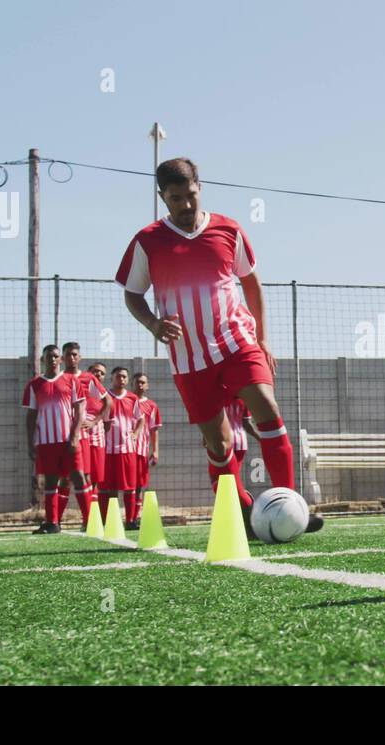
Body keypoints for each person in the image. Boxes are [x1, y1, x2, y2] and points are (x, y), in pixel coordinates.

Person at [115, 157, 321, 535]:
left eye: (190, 195)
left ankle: (291, 503)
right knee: (218, 440)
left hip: (237, 341)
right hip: (189, 358)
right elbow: (132, 294)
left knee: (266, 406)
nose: (186, 205)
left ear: (200, 188)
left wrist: (261, 339)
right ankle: (240, 512)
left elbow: (252, 284)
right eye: (176, 198)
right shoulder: (148, 241)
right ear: (163, 198)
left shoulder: (228, 229)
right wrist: (153, 323)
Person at [21, 344, 86, 534]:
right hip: (46, 441)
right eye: (48, 356)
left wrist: (74, 436)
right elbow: (31, 416)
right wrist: (30, 443)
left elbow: (80, 410)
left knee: (78, 477)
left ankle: (90, 520)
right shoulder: (34, 384)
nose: (52, 359)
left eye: (55, 356)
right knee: (50, 481)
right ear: (42, 360)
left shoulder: (71, 381)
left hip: (68, 440)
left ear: (61, 359)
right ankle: (52, 522)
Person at [56, 343, 112, 526]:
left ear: (79, 357)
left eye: (75, 355)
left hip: (86, 437)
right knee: (63, 478)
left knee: (88, 477)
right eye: (68, 355)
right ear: (62, 358)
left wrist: (95, 421)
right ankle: (55, 520)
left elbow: (108, 402)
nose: (72, 358)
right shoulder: (58, 379)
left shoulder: (88, 379)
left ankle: (90, 520)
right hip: (63, 434)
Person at [100, 366, 143, 530]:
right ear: (112, 378)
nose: (122, 379)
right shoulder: (104, 396)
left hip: (127, 449)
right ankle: (108, 520)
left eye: (125, 377)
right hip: (108, 450)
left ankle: (131, 520)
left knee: (129, 487)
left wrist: (136, 433)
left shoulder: (132, 398)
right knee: (109, 488)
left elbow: (141, 419)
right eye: (118, 376)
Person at [133, 372, 161, 508]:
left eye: (143, 382)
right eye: (137, 382)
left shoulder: (152, 405)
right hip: (122, 449)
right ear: (132, 384)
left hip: (141, 450)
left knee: (138, 484)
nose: (140, 385)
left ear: (147, 386)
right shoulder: (126, 400)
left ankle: (133, 517)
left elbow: (154, 429)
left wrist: (155, 451)